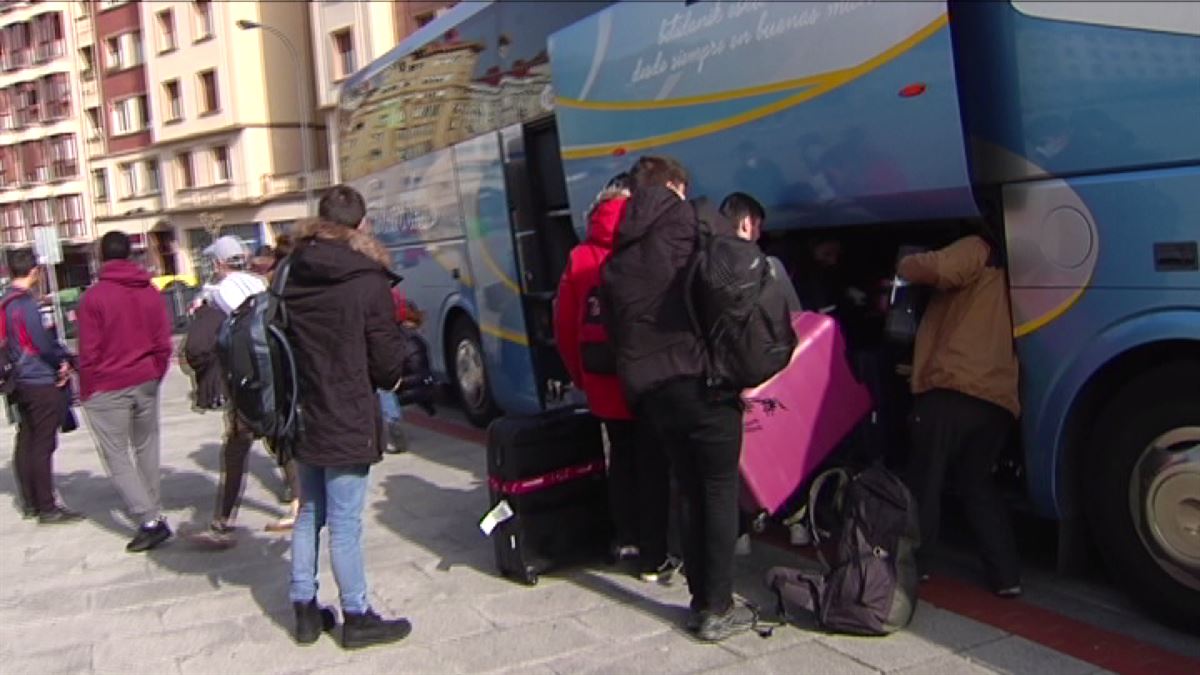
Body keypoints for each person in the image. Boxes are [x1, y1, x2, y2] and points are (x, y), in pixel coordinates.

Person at [602, 156, 752, 642]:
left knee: (689, 488)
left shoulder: (617, 258)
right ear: (674, 185)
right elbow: (738, 275)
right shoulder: (695, 218)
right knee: (718, 488)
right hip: (702, 379)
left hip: (651, 394)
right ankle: (718, 606)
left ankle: (698, 601)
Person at [283, 184, 413, 648]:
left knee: (308, 512)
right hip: (347, 410)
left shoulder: (290, 270)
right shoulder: (367, 279)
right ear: (360, 226)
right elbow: (385, 361)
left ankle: (303, 609)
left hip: (301, 408)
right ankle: (357, 615)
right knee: (344, 522)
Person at [555, 173, 673, 577]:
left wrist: (580, 376)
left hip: (603, 375)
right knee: (653, 462)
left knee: (621, 459)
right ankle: (654, 556)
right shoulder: (647, 244)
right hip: (647, 373)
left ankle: (625, 540)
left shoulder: (581, 255)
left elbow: (565, 325)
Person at [897, 222, 1022, 597]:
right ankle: (1007, 576)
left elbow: (934, 268)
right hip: (997, 398)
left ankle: (915, 570)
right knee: (977, 483)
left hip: (954, 386)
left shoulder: (978, 248)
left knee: (927, 480)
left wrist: (904, 262)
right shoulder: (1014, 269)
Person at [77, 232, 174, 551]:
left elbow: (88, 352)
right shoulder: (149, 290)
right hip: (145, 377)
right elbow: (164, 342)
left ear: (101, 258)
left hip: (108, 384)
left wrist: (87, 390)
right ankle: (153, 508)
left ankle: (149, 519)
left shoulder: (94, 297)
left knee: (116, 452)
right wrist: (155, 373)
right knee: (147, 445)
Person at [2, 248, 83, 524]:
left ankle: (30, 502)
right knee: (42, 442)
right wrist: (61, 361)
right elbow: (40, 342)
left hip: (17, 378)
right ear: (34, 272)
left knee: (26, 438)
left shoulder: (5, 301)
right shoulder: (25, 304)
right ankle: (47, 505)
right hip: (37, 378)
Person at [718, 192, 801, 313]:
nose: (759, 235)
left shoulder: (701, 264)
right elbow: (795, 315)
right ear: (747, 225)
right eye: (758, 226)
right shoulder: (769, 267)